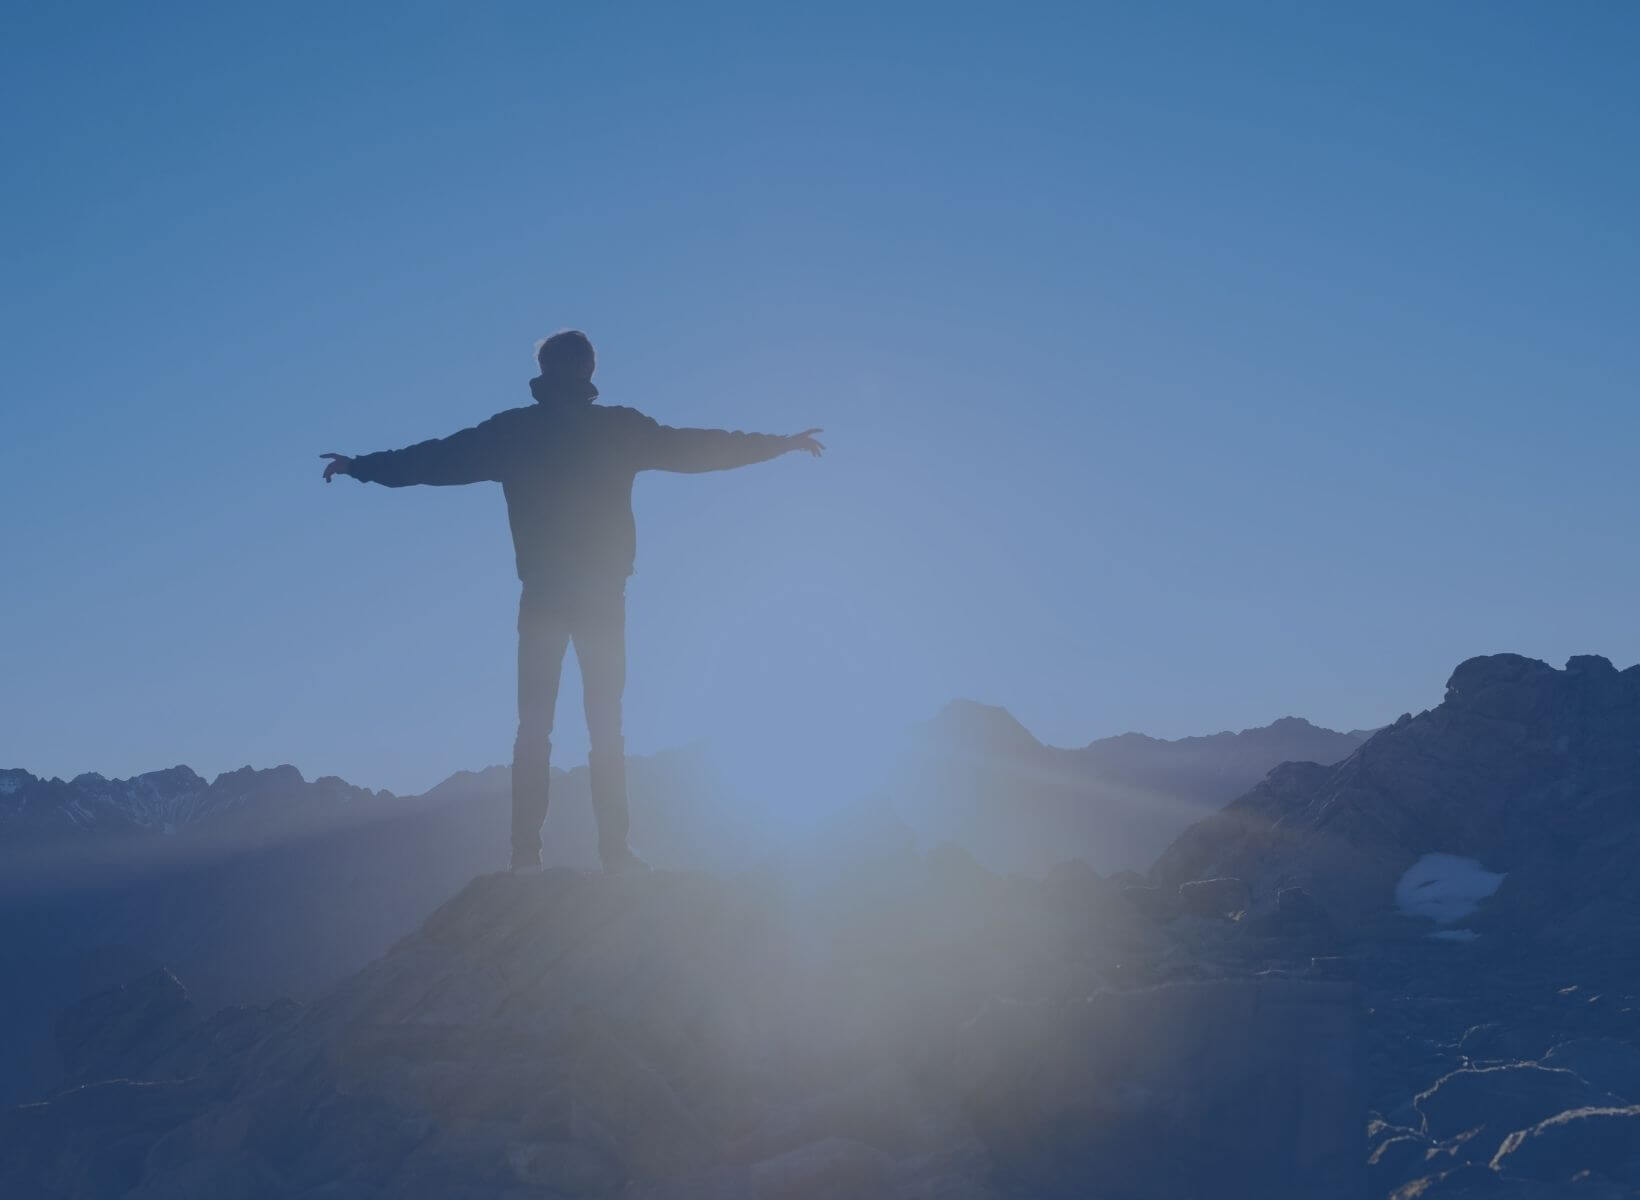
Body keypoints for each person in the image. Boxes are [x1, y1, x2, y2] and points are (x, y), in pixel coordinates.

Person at [322, 330, 822, 873]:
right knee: (606, 725)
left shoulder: (515, 432)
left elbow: (435, 460)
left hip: (543, 596)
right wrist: (780, 444)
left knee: (535, 728)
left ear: (543, 369)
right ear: (588, 370)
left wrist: (360, 466)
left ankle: (524, 857)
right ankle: (614, 852)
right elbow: (699, 448)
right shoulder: (618, 429)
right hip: (603, 597)